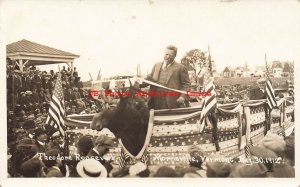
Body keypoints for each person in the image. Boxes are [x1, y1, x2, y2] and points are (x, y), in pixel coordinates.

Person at [144, 45, 191, 109]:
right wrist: (137, 82)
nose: (167, 57)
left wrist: (182, 97)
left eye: (170, 55)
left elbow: (187, 85)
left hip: (171, 104)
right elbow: (148, 79)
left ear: (174, 56)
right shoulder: (156, 65)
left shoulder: (181, 68)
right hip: (154, 102)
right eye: (166, 54)